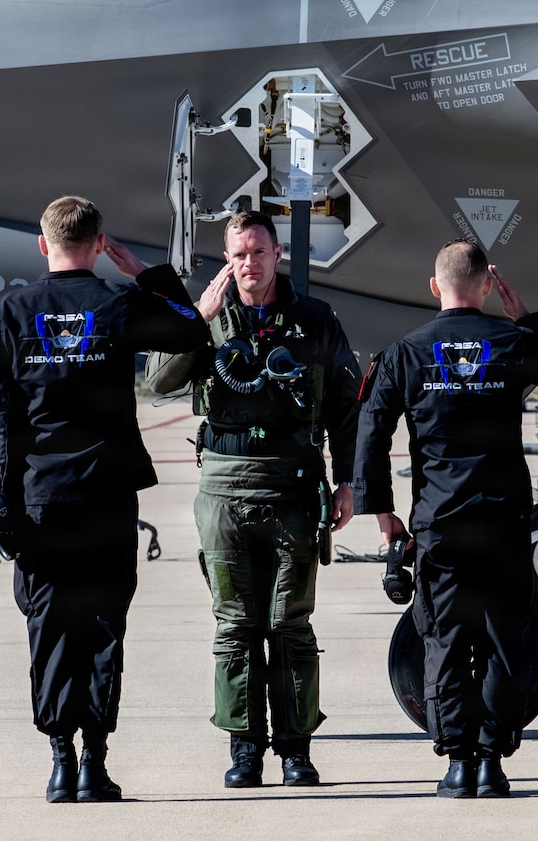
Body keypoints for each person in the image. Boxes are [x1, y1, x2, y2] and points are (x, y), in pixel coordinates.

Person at [0, 196, 209, 804]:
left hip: (37, 499)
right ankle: (94, 762)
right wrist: (143, 272)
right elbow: (190, 327)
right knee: (102, 624)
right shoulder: (119, 303)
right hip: (106, 495)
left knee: (49, 625)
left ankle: (59, 762)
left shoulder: (9, 313)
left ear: (42, 245)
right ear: (98, 245)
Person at [352, 239, 538, 799]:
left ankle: (458, 764)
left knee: (446, 639)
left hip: (440, 523)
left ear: (434, 286)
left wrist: (383, 514)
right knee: (504, 640)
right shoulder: (513, 341)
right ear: (486, 286)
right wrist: (527, 320)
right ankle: (492, 765)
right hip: (503, 521)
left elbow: (371, 434)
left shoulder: (405, 353)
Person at [152, 209, 361, 789]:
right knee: (235, 623)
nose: (250, 263)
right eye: (239, 254)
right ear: (227, 259)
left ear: (277, 255)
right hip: (224, 486)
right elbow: (158, 381)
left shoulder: (315, 319)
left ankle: (296, 750)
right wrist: (197, 321)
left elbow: (346, 407)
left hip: (294, 484)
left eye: (259, 252)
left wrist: (348, 482)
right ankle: (244, 749)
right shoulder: (206, 317)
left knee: (291, 622)